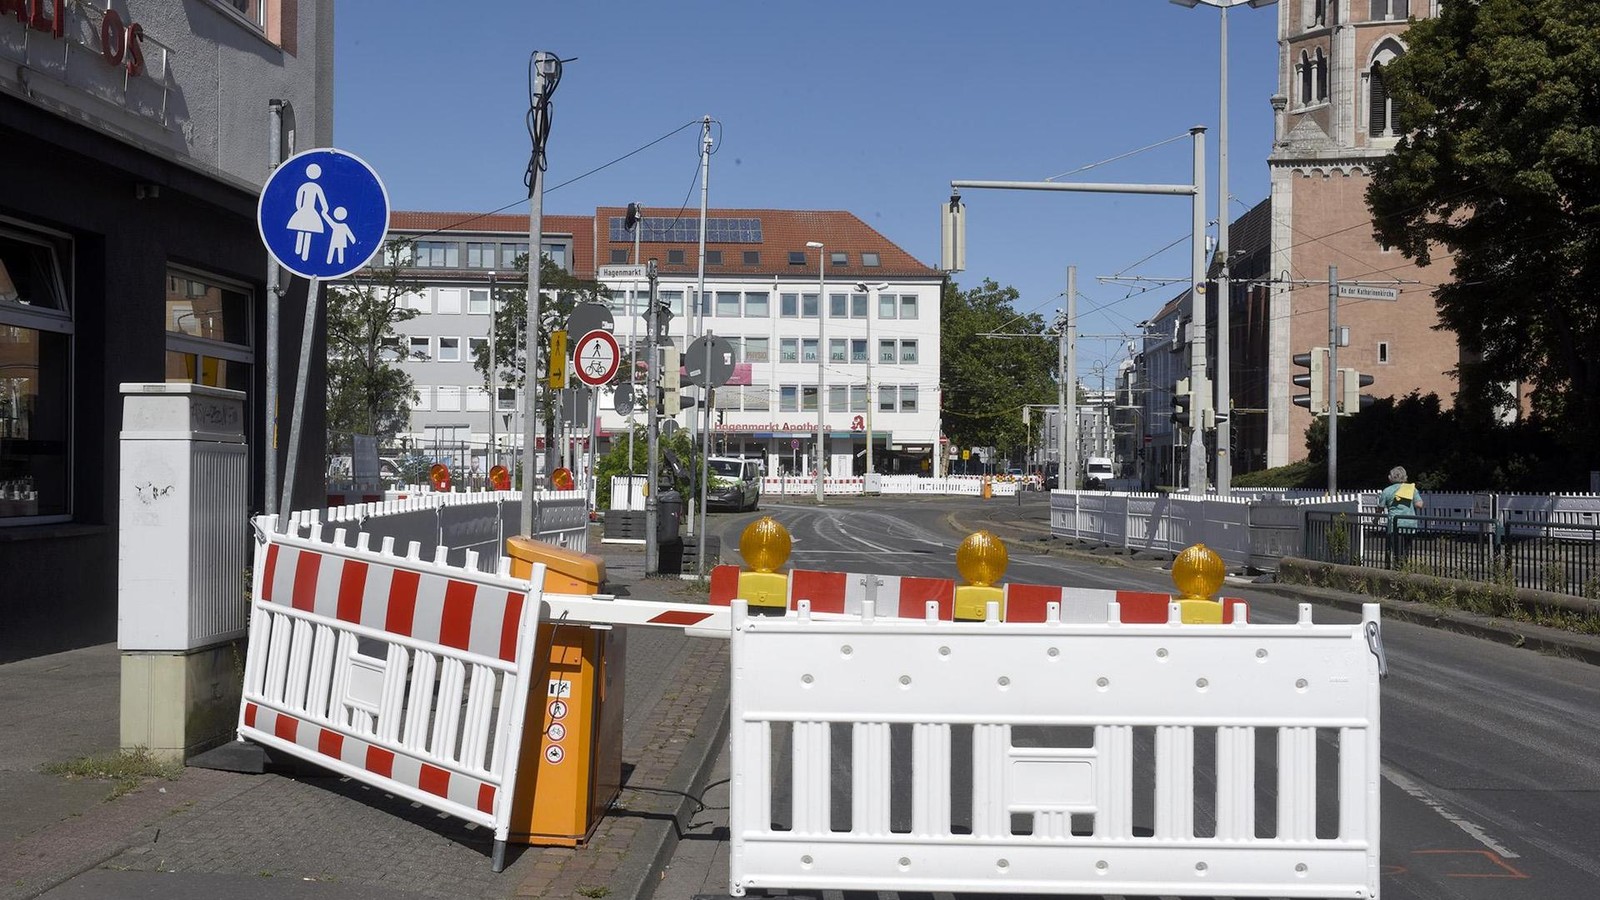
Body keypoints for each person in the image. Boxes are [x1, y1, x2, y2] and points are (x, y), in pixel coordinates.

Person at [1379, 465, 1424, 567]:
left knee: (1397, 552)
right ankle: (1404, 571)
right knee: (1406, 551)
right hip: (1410, 524)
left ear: (1392, 477)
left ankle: (1397, 572)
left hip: (1395, 525)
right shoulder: (1411, 489)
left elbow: (1380, 508)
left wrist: (1376, 519)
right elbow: (1419, 504)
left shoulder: (1387, 491)